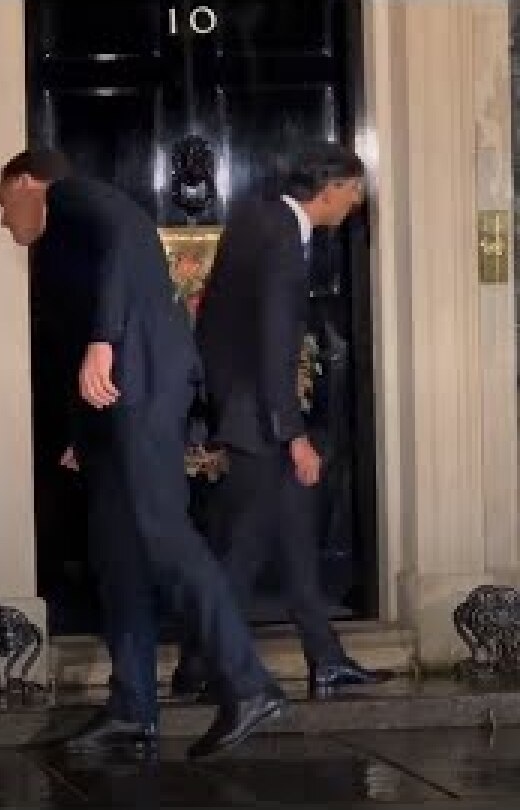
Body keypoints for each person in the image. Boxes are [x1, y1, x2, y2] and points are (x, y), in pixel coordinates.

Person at [0, 147, 284, 760]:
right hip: (110, 409)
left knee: (161, 534)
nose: (3, 219)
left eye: (3, 202)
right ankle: (133, 708)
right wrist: (82, 429)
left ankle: (250, 683)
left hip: (142, 384)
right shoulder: (61, 244)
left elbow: (131, 234)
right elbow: (80, 318)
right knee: (118, 553)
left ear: (27, 182)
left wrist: (105, 340)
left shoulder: (70, 197)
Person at [171, 142, 390, 699]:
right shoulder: (281, 238)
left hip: (243, 408)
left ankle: (326, 657)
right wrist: (292, 435)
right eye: (354, 189)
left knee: (293, 539)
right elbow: (273, 344)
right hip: (260, 419)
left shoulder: (256, 218)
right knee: (240, 552)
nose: (357, 201)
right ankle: (201, 663)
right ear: (328, 187)